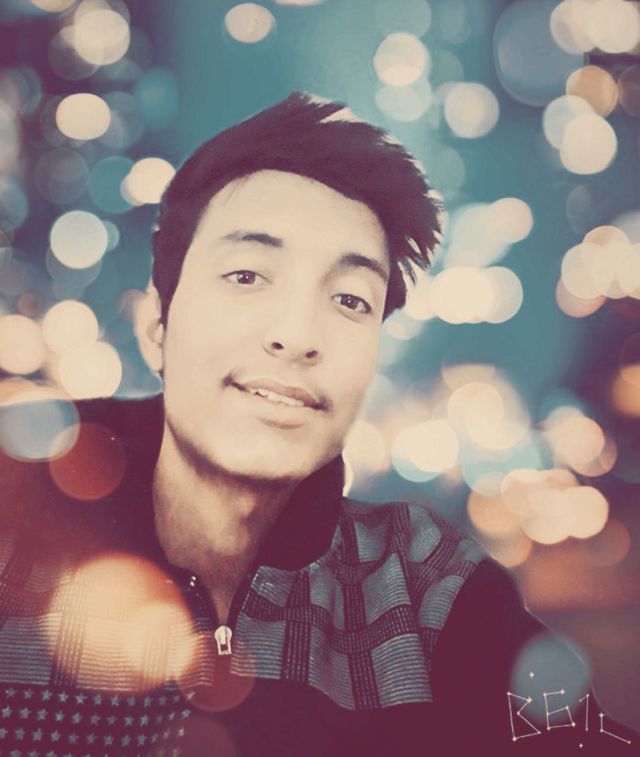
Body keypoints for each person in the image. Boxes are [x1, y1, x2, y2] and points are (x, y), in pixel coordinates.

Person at [0, 93, 634, 756]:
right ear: (158, 324)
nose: (298, 335)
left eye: (350, 299)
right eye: (247, 275)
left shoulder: (429, 592)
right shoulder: (18, 537)